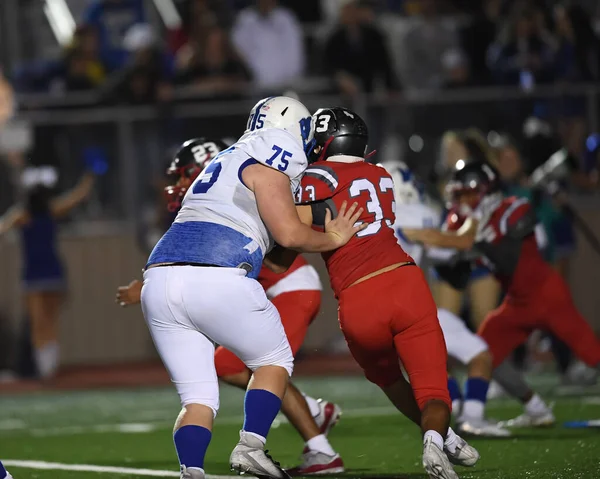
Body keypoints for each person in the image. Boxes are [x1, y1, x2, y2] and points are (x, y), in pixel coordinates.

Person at [140, 96, 364, 479]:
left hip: (157, 280)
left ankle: (190, 472)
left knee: (197, 400)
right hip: (216, 275)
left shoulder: (223, 158)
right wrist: (334, 237)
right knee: (274, 360)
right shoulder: (274, 156)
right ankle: (251, 445)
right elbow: (289, 233)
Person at [280, 107, 479, 479]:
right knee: (433, 385)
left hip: (359, 298)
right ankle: (438, 437)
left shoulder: (313, 177)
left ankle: (439, 435)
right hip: (407, 283)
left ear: (323, 141)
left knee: (389, 379)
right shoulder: (380, 174)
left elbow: (294, 237)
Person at [403, 161, 600, 428]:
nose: (464, 202)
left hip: (547, 295)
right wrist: (454, 259)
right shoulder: (466, 224)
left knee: (592, 352)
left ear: (486, 190)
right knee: (483, 353)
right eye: (459, 195)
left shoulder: (511, 208)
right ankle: (537, 409)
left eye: (469, 194)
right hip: (516, 303)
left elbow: (509, 254)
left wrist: (439, 237)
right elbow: (459, 276)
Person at [388, 161, 510, 438]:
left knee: (432, 364)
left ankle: (453, 411)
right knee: (479, 354)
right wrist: (476, 217)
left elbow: (440, 251)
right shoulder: (413, 213)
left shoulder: (369, 217)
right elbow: (459, 242)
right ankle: (473, 418)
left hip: (378, 310)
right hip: (411, 308)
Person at [0, 162, 102, 379]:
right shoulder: (48, 211)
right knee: (49, 321)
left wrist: (88, 179)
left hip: (37, 273)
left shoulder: (23, 215)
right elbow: (78, 196)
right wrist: (89, 177)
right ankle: (48, 366)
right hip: (50, 271)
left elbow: (2, 227)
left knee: (39, 322)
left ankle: (45, 367)